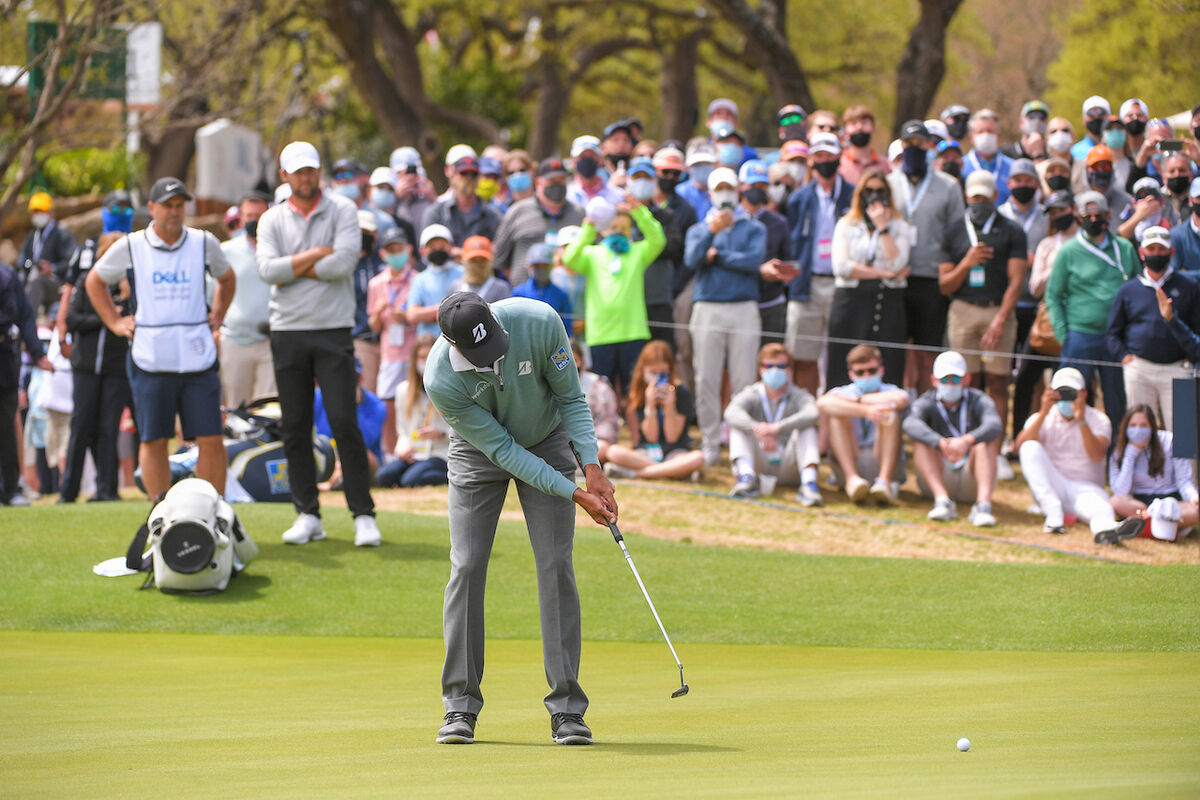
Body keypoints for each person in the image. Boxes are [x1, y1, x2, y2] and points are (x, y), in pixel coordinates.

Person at [424, 292, 616, 746]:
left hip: (548, 436)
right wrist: (573, 493)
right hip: (479, 454)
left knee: (555, 564)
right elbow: (505, 452)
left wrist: (592, 466)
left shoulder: (539, 320)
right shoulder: (441, 377)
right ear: (452, 345)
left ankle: (568, 708)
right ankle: (460, 706)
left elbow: (571, 397)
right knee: (467, 566)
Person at [255, 141, 380, 547]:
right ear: (285, 176)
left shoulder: (343, 209)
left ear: (318, 172)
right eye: (298, 172)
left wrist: (295, 266)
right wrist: (314, 256)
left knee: (344, 420)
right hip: (287, 330)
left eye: (311, 170)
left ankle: (363, 514)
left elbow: (344, 262)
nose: (306, 178)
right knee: (294, 425)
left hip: (332, 329)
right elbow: (268, 271)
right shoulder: (271, 219)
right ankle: (307, 513)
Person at [86, 177, 234, 501]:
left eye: (180, 205)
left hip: (197, 354)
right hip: (151, 356)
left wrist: (218, 313)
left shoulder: (203, 242)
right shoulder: (131, 245)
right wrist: (114, 321)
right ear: (151, 208)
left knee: (210, 436)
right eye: (168, 205)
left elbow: (227, 277)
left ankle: (213, 512)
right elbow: (94, 281)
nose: (175, 212)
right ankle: (161, 515)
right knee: (154, 439)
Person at [941, 169, 1028, 475]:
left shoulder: (1012, 230)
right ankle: (966, 445)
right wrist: (967, 262)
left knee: (998, 382)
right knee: (966, 382)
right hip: (963, 310)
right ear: (967, 196)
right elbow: (945, 284)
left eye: (984, 196)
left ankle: (995, 449)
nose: (979, 202)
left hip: (998, 311)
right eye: (974, 196)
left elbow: (1016, 283)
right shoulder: (954, 230)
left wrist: (1000, 320)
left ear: (995, 196)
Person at [685, 166, 766, 465]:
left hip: (744, 307)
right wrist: (711, 233)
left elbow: (753, 261)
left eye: (729, 188)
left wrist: (718, 257)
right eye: (719, 189)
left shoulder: (754, 227)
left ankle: (740, 444)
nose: (725, 194)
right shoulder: (699, 229)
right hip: (708, 307)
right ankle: (710, 442)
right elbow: (692, 259)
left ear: (738, 191)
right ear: (710, 193)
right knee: (706, 377)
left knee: (744, 379)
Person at [1015, 367, 1142, 542]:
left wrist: (1081, 420)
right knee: (1030, 447)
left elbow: (1097, 455)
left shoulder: (1099, 419)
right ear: (1050, 392)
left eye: (1071, 393)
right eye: (1061, 392)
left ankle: (1107, 531)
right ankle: (1053, 515)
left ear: (1083, 394)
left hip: (1087, 490)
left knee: (1102, 510)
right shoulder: (1041, 417)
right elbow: (1019, 447)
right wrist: (1043, 412)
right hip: (1053, 488)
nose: (1066, 398)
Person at [1045, 191, 1137, 426]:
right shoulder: (1068, 251)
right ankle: (1073, 453)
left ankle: (1116, 456)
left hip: (1116, 338)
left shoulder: (1124, 248)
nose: (1094, 220)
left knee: (1118, 401)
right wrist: (1063, 334)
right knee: (1071, 399)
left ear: (1108, 215)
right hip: (1079, 335)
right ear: (1078, 216)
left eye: (1099, 215)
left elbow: (1138, 288)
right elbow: (1053, 296)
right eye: (1088, 215)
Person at [887, 121, 967, 394]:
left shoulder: (948, 186)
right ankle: (899, 409)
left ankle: (926, 406)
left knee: (928, 353)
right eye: (909, 145)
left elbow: (958, 236)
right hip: (896, 278)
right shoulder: (888, 183)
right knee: (896, 352)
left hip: (932, 278)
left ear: (930, 146)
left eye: (920, 144)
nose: (915, 149)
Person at [564, 195, 665, 397]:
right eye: (614, 227)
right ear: (604, 229)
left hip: (633, 332)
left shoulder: (638, 252)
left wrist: (639, 212)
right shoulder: (592, 254)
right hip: (601, 334)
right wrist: (589, 228)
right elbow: (569, 258)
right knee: (603, 391)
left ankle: (634, 428)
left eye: (624, 228)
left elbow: (658, 240)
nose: (618, 232)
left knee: (634, 390)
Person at [58, 232, 131, 504]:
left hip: (115, 368)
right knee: (81, 426)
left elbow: (135, 319)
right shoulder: (87, 282)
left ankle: (107, 490)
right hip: (86, 366)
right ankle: (69, 491)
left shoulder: (130, 288)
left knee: (108, 428)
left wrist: (125, 297)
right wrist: (107, 318)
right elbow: (73, 318)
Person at [1105, 226, 1200, 431]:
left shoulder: (1189, 286)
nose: (1156, 253)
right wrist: (1125, 358)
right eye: (1151, 249)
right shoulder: (1128, 290)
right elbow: (1113, 332)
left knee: (1183, 437)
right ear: (1142, 253)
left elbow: (1197, 331)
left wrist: (1190, 359)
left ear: (1171, 252)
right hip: (1139, 369)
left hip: (1178, 369)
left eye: (1161, 249)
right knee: (1140, 434)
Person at [828, 167, 911, 390]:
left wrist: (883, 228)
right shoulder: (847, 224)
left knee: (888, 368)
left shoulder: (899, 226)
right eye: (868, 191)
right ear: (859, 194)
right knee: (842, 368)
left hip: (886, 304)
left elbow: (898, 264)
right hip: (851, 304)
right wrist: (882, 274)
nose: (874, 196)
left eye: (880, 191)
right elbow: (842, 267)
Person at [785, 132, 854, 394]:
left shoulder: (852, 195)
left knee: (841, 354)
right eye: (819, 156)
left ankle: (835, 416)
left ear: (839, 157)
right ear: (812, 160)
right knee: (803, 354)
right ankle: (807, 418)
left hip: (842, 283)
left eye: (830, 155)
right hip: (807, 283)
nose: (825, 161)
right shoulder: (799, 199)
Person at [902, 351, 1001, 527]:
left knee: (985, 443)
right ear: (934, 380)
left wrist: (967, 440)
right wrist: (940, 442)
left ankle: (983, 505)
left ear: (966, 379)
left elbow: (994, 425)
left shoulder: (979, 399)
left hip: (970, 476)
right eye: (944, 379)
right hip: (941, 471)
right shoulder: (926, 400)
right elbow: (910, 423)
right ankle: (942, 501)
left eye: (955, 379)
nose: (950, 384)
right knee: (922, 442)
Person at [724, 343, 821, 504]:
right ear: (760, 369)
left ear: (789, 370)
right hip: (759, 460)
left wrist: (777, 428)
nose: (774, 370)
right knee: (739, 426)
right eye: (769, 365)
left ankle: (809, 484)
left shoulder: (798, 394)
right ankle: (746, 479)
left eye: (781, 366)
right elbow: (730, 412)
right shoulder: (752, 393)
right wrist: (756, 428)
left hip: (788, 463)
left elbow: (812, 413)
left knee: (807, 428)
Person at [816, 344, 909, 505]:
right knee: (837, 415)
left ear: (881, 370)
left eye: (871, 371)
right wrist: (864, 411)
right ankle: (852, 479)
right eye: (860, 372)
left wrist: (859, 400)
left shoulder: (890, 390)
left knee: (888, 412)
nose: (866, 375)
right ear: (851, 374)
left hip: (882, 457)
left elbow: (901, 400)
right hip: (853, 456)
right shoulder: (843, 391)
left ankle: (884, 481)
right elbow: (822, 403)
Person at [603, 340, 706, 481]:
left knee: (698, 458)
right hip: (647, 452)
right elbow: (651, 437)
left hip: (676, 452)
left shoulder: (681, 391)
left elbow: (672, 437)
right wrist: (650, 406)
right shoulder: (639, 392)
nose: (657, 378)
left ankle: (636, 474)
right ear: (643, 369)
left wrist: (669, 407)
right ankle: (675, 472)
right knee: (613, 451)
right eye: (653, 372)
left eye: (662, 373)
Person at [217, 190, 275, 408]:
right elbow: (212, 291)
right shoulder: (226, 251)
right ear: (240, 218)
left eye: (258, 216)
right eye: (249, 216)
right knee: (236, 409)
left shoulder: (279, 247)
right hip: (235, 341)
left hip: (270, 342)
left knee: (271, 409)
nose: (254, 221)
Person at [0, 262, 52, 505]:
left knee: (6, 427)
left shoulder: (7, 275)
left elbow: (25, 316)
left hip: (4, 358)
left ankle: (10, 489)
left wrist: (38, 353)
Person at [1108, 405, 1199, 541]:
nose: (1138, 429)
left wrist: (1193, 498)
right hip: (1142, 504)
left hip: (1171, 502)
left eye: (1143, 425)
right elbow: (1121, 491)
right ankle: (1170, 525)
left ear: (1152, 426)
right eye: (1133, 425)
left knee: (1194, 510)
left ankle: (1147, 525)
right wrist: (1131, 453)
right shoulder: (1120, 451)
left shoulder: (1170, 441)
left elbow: (1184, 481)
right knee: (1115, 502)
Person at [491, 158, 585, 287]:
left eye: (561, 180)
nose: (557, 184)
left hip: (570, 298)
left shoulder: (579, 214)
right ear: (538, 182)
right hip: (525, 298)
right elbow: (500, 259)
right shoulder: (517, 212)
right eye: (552, 180)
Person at [367, 227, 419, 457]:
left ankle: (418, 451)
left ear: (408, 250)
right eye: (391, 250)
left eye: (399, 248)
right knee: (387, 406)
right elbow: (374, 327)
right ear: (383, 254)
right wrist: (377, 315)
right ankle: (390, 454)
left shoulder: (418, 280)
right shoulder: (376, 284)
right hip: (389, 353)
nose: (396, 253)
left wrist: (407, 317)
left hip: (414, 350)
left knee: (415, 403)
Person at [375, 334, 449, 488]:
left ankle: (450, 477)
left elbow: (459, 429)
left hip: (439, 452)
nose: (424, 362)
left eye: (428, 356)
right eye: (421, 357)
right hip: (415, 452)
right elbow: (402, 431)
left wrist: (441, 433)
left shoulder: (447, 388)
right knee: (384, 476)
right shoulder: (403, 390)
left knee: (410, 480)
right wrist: (402, 449)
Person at [739, 159, 794, 346]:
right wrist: (758, 270)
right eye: (753, 185)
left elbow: (790, 264)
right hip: (739, 301)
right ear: (741, 186)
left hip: (771, 301)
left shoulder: (779, 222)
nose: (757, 190)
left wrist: (780, 272)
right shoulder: (730, 221)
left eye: (762, 185)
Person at [421, 153, 503, 249]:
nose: (468, 178)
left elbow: (500, 251)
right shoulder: (436, 213)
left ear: (479, 178)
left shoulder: (493, 216)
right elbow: (428, 250)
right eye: (463, 173)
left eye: (473, 174)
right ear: (453, 176)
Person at [18, 192, 77, 316]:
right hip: (32, 278)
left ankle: (27, 325)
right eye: (35, 212)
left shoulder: (61, 233)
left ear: (51, 212)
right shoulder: (33, 235)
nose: (37, 215)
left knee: (36, 280)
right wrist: (28, 264)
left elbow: (72, 261)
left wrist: (52, 268)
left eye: (41, 211)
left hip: (56, 284)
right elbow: (22, 259)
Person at [407, 224, 463, 338]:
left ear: (451, 247)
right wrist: (441, 310)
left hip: (459, 338)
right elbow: (412, 314)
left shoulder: (463, 273)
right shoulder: (420, 279)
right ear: (422, 251)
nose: (437, 250)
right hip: (429, 342)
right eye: (432, 247)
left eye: (442, 247)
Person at [570, 339, 619, 463]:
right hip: (559, 444)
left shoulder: (599, 387)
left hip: (591, 442)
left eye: (574, 360)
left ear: (582, 362)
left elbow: (607, 422)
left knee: (602, 448)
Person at [960, 109, 1014, 205]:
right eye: (980, 132)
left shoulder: (1012, 168)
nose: (986, 136)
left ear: (998, 136)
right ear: (971, 137)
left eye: (990, 131)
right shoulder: (961, 166)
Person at [511, 243, 569, 325]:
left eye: (545, 266)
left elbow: (567, 327)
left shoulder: (561, 295)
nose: (541, 269)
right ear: (528, 267)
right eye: (537, 266)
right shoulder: (519, 293)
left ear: (552, 267)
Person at [838, 105, 889, 185]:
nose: (859, 127)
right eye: (853, 123)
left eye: (864, 123)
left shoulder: (886, 165)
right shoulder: (839, 165)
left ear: (873, 130)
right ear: (845, 132)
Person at [1081, 145, 1133, 222]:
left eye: (1105, 167)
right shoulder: (1079, 202)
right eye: (1095, 166)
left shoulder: (1125, 201)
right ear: (1087, 170)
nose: (1100, 170)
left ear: (1112, 170)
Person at [453, 235, 512, 304]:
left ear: (491, 262)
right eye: (473, 260)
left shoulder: (501, 288)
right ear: (464, 262)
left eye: (483, 260)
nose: (478, 265)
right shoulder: (456, 287)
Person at [1168, 178, 1200, 280]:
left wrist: (1189, 273)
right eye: (1199, 197)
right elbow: (1175, 274)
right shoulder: (1176, 235)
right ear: (1191, 200)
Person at [1070, 96, 1111, 162]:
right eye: (1091, 113)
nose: (1096, 117)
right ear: (1084, 120)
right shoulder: (1074, 152)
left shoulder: (1118, 148)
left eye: (1101, 113)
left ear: (1109, 117)